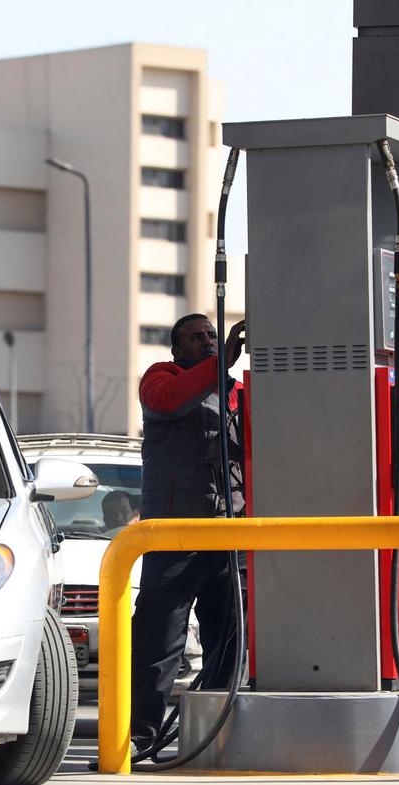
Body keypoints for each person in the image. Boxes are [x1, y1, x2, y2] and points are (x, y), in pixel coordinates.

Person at [130, 312, 246, 752]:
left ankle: (215, 734)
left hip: (226, 530)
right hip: (175, 531)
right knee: (159, 639)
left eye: (212, 335)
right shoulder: (161, 378)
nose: (208, 341)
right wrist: (220, 366)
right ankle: (139, 734)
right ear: (177, 349)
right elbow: (171, 401)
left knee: (229, 637)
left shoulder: (232, 392)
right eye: (197, 337)